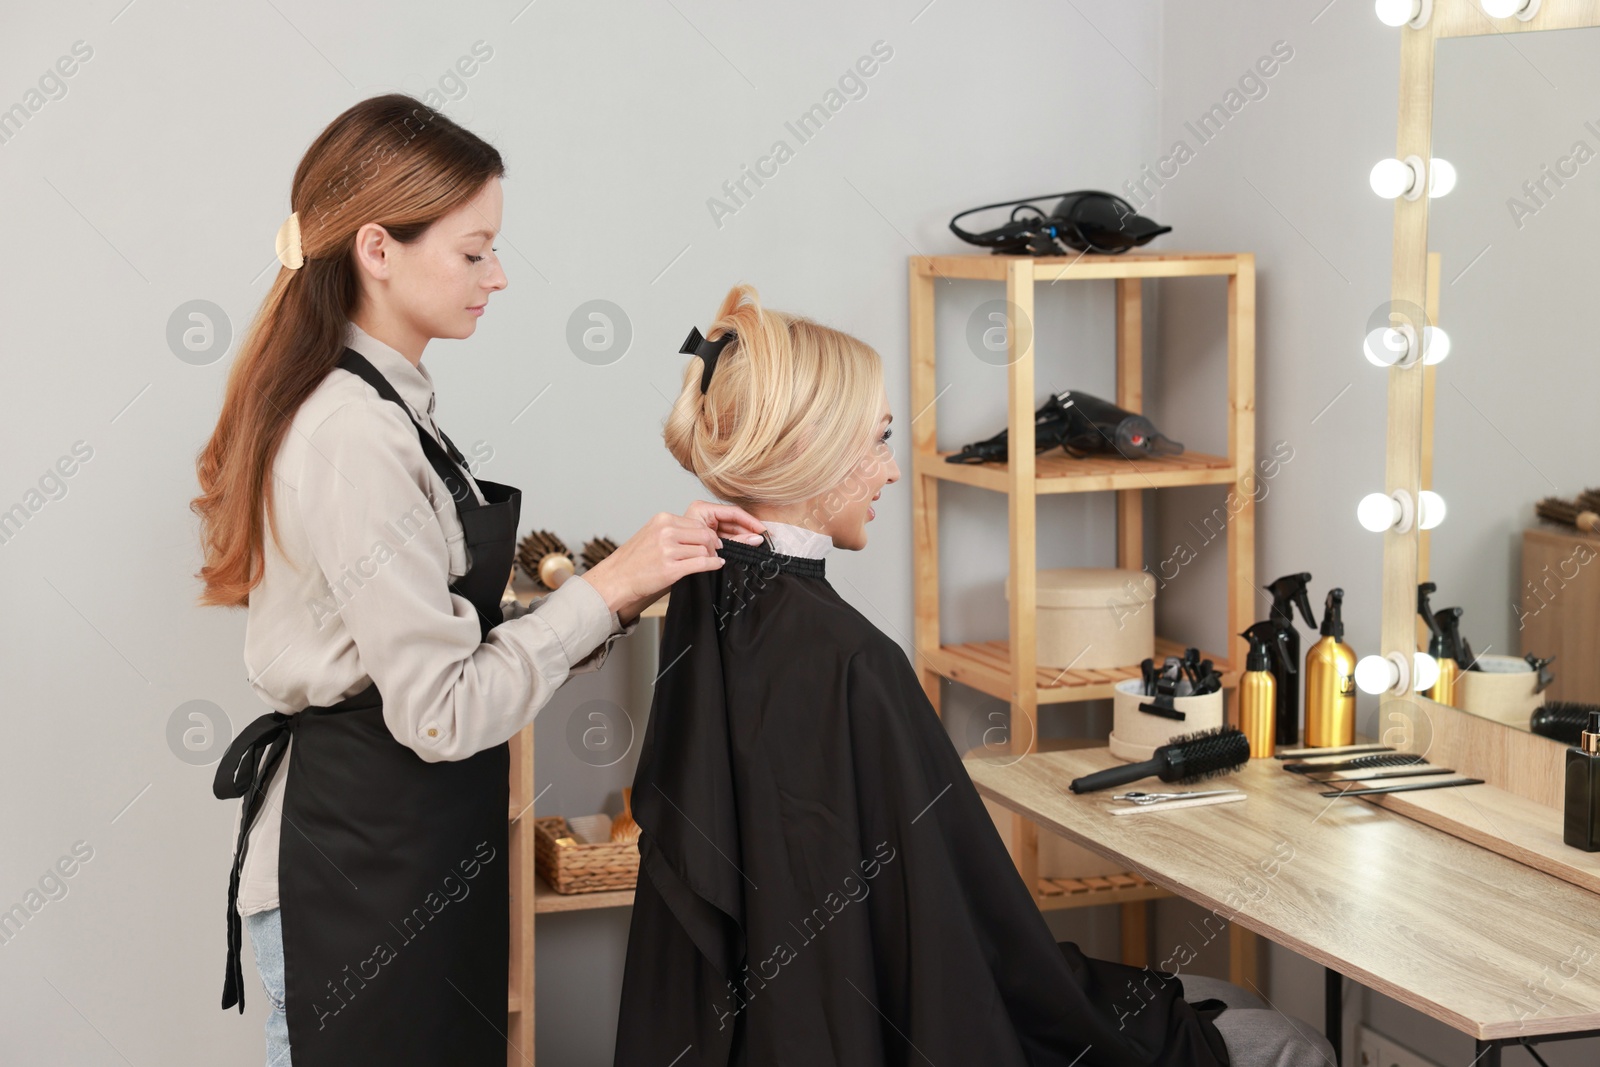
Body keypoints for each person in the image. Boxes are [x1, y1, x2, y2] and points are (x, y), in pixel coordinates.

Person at [612, 284, 1337, 1067]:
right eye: (878, 440)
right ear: (810, 449)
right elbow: (971, 949)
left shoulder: (706, 596)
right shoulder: (852, 661)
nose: (889, 471)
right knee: (1284, 1038)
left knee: (1234, 1006)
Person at [190, 95, 765, 1067]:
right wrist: (609, 587)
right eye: (473, 251)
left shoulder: (388, 406)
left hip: (399, 859)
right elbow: (441, 710)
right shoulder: (354, 434)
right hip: (358, 883)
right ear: (377, 248)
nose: (497, 276)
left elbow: (431, 631)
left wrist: (620, 584)